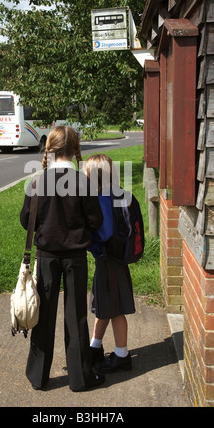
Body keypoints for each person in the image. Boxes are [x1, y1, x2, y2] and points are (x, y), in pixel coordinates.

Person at [20, 126, 105, 392]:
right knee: (76, 315)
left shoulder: (36, 181)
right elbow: (96, 220)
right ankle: (80, 378)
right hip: (76, 257)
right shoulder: (83, 182)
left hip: (46, 256)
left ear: (51, 149)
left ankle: (38, 376)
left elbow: (26, 221)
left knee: (43, 315)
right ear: (75, 149)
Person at [82, 154, 136, 373]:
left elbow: (103, 233)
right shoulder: (117, 193)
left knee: (115, 310)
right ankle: (95, 346)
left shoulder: (102, 198)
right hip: (117, 259)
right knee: (104, 305)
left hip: (108, 260)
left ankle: (122, 355)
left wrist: (87, 237)